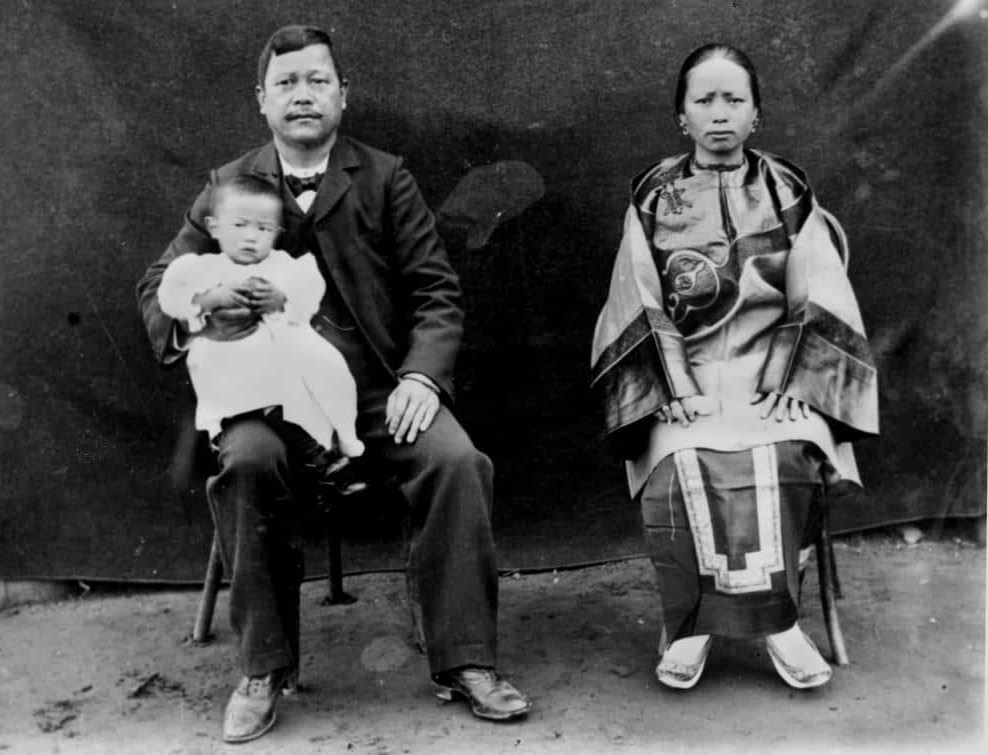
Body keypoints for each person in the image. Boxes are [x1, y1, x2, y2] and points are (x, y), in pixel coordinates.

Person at [137, 24, 530, 744]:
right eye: (286, 83)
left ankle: (466, 658)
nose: (303, 95)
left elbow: (437, 292)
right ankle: (262, 668)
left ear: (343, 96)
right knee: (249, 460)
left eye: (317, 81)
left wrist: (421, 376)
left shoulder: (385, 177)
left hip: (373, 391)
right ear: (262, 101)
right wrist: (204, 309)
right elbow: (158, 285)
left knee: (457, 461)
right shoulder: (227, 188)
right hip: (265, 388)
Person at [590, 43, 878, 692]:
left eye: (734, 100)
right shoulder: (653, 195)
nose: (719, 113)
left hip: (770, 372)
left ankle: (780, 621)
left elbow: (816, 291)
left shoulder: (786, 188)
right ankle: (687, 623)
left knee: (784, 454)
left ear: (756, 115)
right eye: (704, 100)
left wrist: (787, 376)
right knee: (678, 463)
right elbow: (636, 295)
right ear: (681, 118)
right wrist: (673, 384)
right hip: (683, 372)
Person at [156, 174, 365, 480]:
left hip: (286, 354)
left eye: (263, 228)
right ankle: (319, 460)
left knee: (327, 371)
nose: (251, 237)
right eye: (239, 225)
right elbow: (170, 295)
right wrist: (211, 297)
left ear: (277, 232)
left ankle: (338, 444)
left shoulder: (283, 265)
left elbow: (309, 291)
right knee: (255, 393)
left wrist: (281, 299)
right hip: (229, 355)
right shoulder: (203, 268)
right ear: (214, 227)